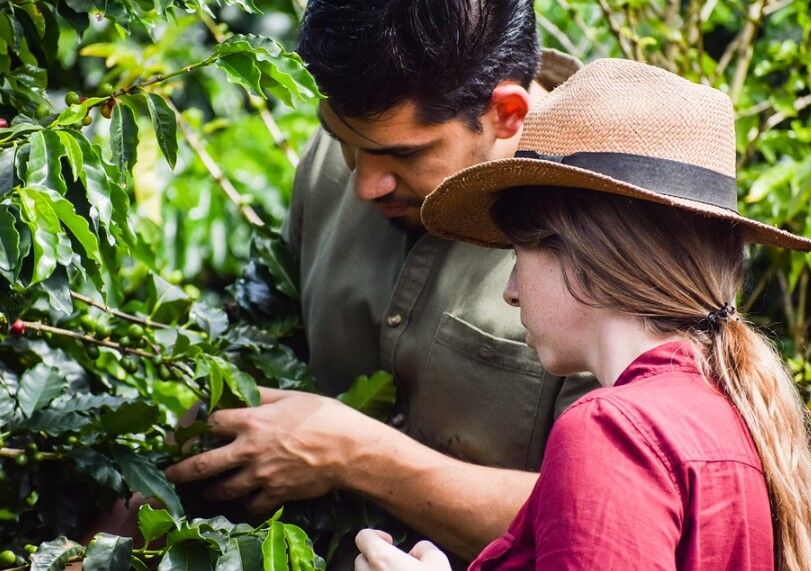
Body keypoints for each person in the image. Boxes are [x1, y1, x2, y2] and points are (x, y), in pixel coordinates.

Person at [353, 58, 811, 570]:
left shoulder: (613, 430)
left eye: (519, 255)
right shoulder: (727, 411)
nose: (511, 293)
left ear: (585, 254)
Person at [166, 0, 597, 567]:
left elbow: (596, 516)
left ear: (507, 114)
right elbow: (259, 349)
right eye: (345, 140)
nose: (366, 184)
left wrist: (356, 454)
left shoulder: (608, 235)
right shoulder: (335, 160)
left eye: (402, 154)